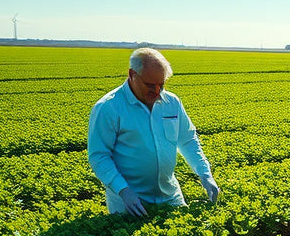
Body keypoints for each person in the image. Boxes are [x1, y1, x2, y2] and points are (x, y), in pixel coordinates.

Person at [87, 47, 220, 216]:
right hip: (129, 202)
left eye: (161, 84)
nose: (157, 91)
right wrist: (123, 190)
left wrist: (204, 174)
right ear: (132, 74)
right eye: (150, 85)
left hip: (170, 195)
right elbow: (99, 155)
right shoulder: (108, 107)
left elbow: (187, 140)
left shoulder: (172, 102)